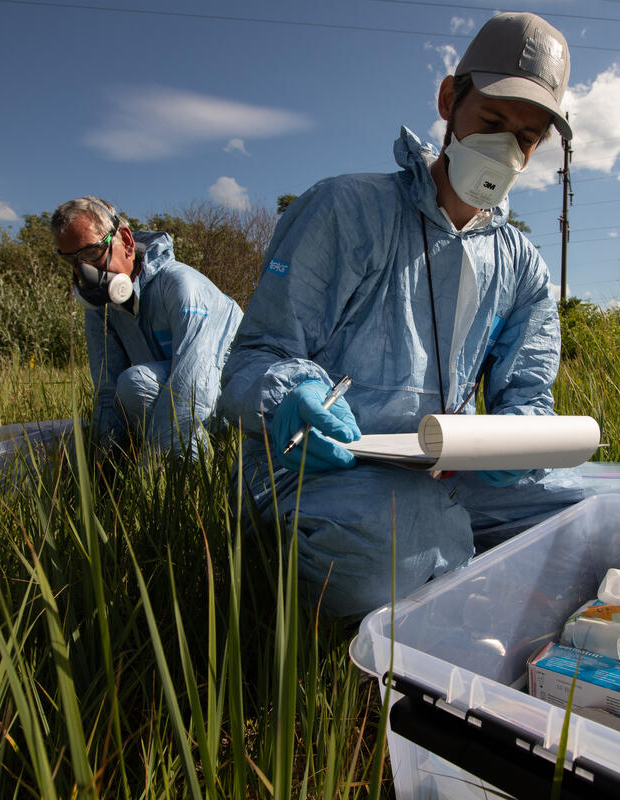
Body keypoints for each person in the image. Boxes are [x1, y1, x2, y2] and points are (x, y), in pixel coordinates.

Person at [218, 12, 589, 617]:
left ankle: (447, 556)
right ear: (449, 100)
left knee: (585, 509)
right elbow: (254, 358)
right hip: (319, 467)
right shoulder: (347, 209)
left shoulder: (520, 263)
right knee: (395, 551)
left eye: (524, 139)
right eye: (491, 121)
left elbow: (527, 391)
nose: (504, 149)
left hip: (443, 471)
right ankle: (412, 570)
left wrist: (516, 444)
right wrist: (289, 396)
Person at [51, 196, 243, 459]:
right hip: (181, 406)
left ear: (127, 242)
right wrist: (103, 465)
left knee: (136, 384)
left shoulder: (182, 287)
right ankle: (183, 460)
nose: (84, 271)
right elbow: (107, 393)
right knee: (126, 388)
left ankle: (196, 469)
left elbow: (195, 387)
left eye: (92, 253)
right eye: (73, 261)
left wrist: (148, 474)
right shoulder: (102, 310)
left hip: (234, 405)